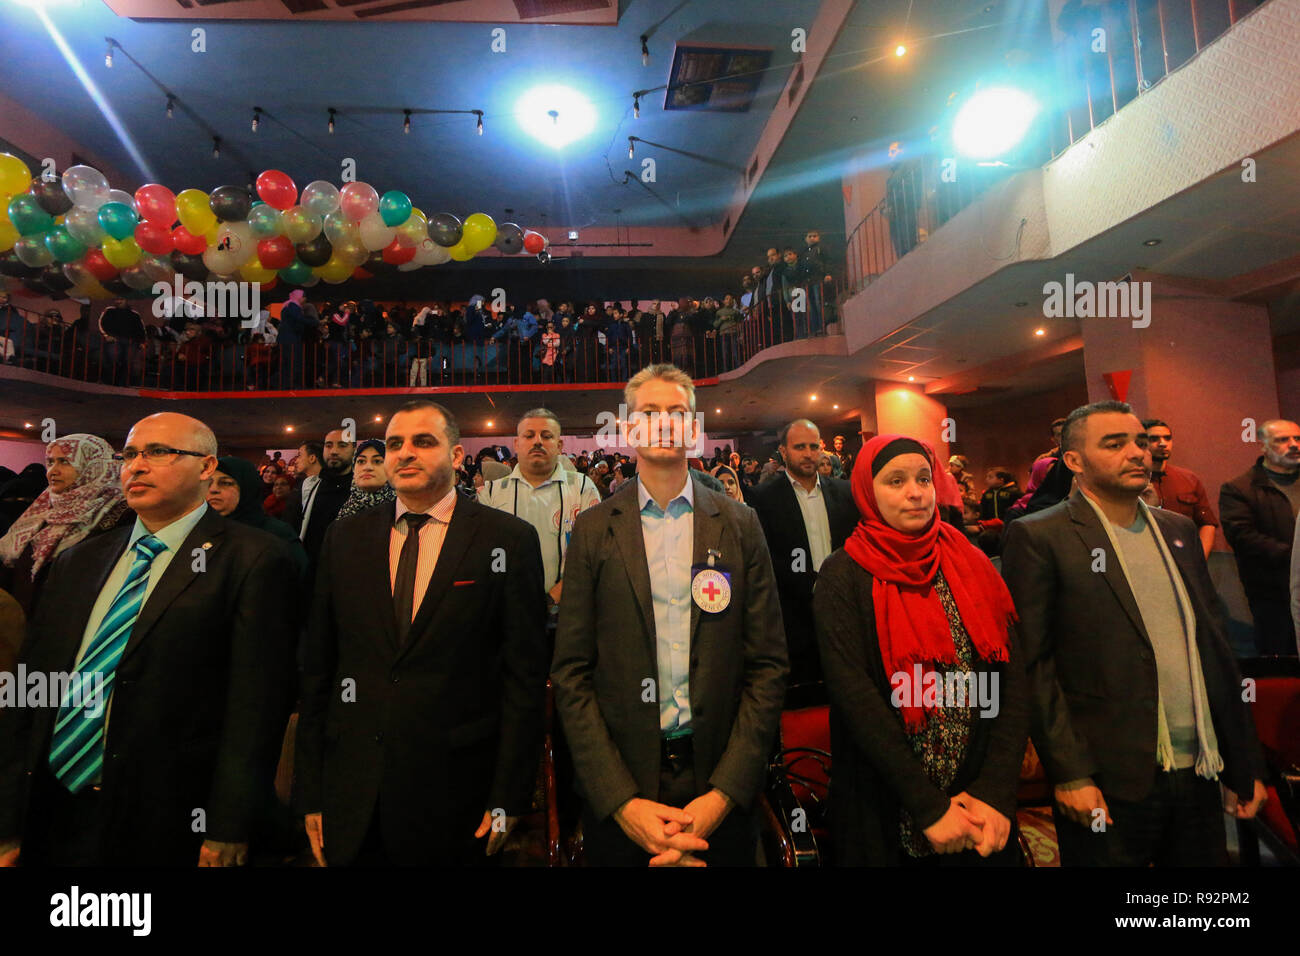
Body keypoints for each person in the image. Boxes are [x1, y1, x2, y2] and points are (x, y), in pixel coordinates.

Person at [0, 413, 299, 866]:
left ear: (206, 467)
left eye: (159, 452)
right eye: (130, 455)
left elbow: (256, 706)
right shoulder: (81, 559)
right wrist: (9, 814)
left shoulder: (254, 558)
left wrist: (229, 823)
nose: (136, 466)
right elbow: (31, 687)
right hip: (54, 802)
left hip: (168, 811)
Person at [1002, 401, 1267, 866]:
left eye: (1140, 442)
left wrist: (1243, 764)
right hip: (1108, 778)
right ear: (1074, 461)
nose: (1137, 453)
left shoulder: (1179, 530)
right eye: (1115, 443)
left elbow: (1216, 650)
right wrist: (1070, 773)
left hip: (1200, 768)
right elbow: (1035, 665)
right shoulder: (1041, 536)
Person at [551, 364, 788, 866]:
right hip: (624, 784)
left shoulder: (740, 525)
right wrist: (619, 799)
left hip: (719, 779)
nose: (662, 423)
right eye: (649, 412)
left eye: (676, 412)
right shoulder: (594, 529)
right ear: (630, 428)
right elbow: (571, 673)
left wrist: (724, 793)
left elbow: (767, 665)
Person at [295, 400, 548, 866]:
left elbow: (523, 677)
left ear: (455, 456)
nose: (404, 453)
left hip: (457, 789)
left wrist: (509, 796)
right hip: (354, 790)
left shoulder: (506, 539)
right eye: (395, 444)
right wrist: (311, 789)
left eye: (423, 442)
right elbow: (320, 667)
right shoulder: (344, 537)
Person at [814, 435, 1026, 864]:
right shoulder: (843, 574)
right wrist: (929, 807)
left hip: (977, 803)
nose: (915, 492)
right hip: (885, 803)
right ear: (867, 493)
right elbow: (857, 700)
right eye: (895, 481)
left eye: (924, 479)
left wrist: (994, 791)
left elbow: (1014, 679)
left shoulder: (969, 558)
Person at [748, 419, 858, 688]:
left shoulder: (846, 494)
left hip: (845, 616)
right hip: (792, 620)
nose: (808, 453)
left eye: (813, 446)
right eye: (799, 447)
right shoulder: (763, 498)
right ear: (783, 452)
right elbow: (764, 560)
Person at [478, 409, 601, 614]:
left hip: (568, 611)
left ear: (559, 445)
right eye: (529, 435)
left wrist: (553, 598)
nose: (537, 442)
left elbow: (594, 553)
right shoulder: (492, 492)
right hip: (507, 611)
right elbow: (487, 556)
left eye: (546, 436)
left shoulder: (582, 488)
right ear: (516, 444)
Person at [0, 435, 130, 617]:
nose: (53, 471)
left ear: (93, 466)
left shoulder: (118, 513)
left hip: (73, 621)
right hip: (24, 621)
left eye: (64, 462)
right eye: (50, 462)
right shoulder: (43, 508)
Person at [1220, 420, 1300, 656]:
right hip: (1273, 593)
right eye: (1283, 440)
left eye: (1297, 439)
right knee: (1283, 663)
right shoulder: (1240, 489)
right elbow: (1242, 536)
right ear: (1263, 446)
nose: (1294, 445)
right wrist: (1294, 557)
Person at [205, 456, 307, 574]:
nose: (213, 490)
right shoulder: (201, 529)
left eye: (225, 483)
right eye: (209, 483)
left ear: (246, 487)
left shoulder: (277, 534)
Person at [1142, 419, 1218, 559]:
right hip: (1147, 556)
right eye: (1154, 439)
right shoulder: (1134, 480)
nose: (1163, 443)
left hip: (1185, 556)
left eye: (1167, 438)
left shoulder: (1188, 479)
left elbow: (1207, 523)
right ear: (1141, 443)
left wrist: (1200, 559)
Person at [285, 428, 354, 576]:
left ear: (353, 449)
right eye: (328, 445)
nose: (334, 451)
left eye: (342, 445)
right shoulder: (311, 485)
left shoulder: (360, 489)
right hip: (311, 571)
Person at [335, 438, 397, 520]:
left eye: (377, 461)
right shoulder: (346, 511)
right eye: (361, 461)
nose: (367, 467)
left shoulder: (401, 510)